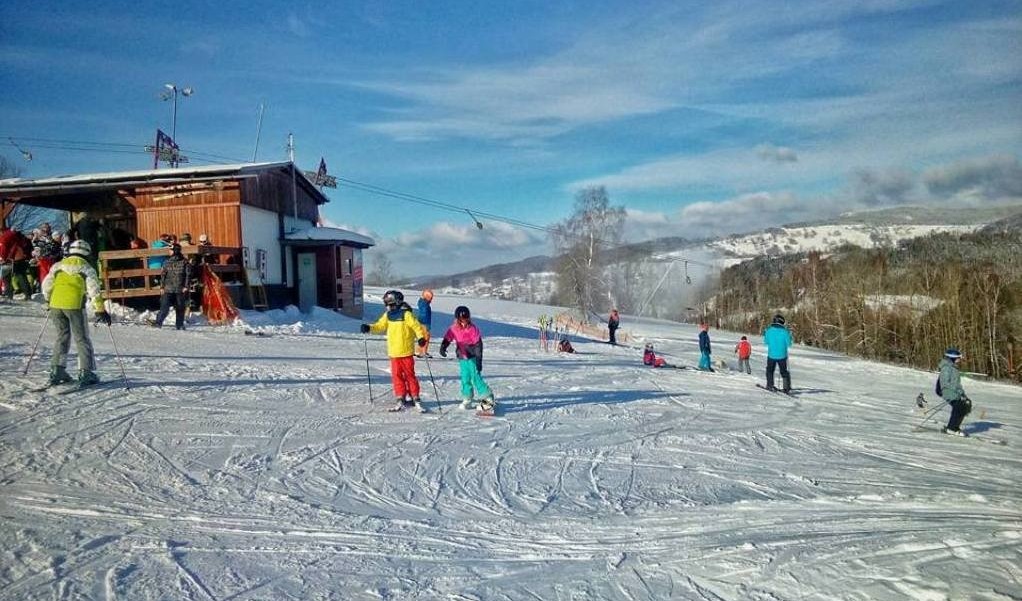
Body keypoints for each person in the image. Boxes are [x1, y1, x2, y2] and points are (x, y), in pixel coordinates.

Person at [41, 240, 111, 387]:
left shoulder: (58, 265)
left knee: (62, 337)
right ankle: (86, 372)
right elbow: (94, 290)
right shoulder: (86, 268)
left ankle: (57, 371)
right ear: (87, 253)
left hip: (55, 305)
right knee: (82, 338)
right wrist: (100, 309)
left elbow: (46, 284)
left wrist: (48, 300)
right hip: (74, 306)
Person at [360, 290, 428, 412]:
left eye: (390, 304)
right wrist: (369, 328)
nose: (388, 306)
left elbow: (416, 326)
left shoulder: (406, 314)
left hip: (406, 351)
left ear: (396, 302)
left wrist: (421, 338)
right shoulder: (388, 315)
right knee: (396, 376)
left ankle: (415, 397)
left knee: (409, 375)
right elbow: (380, 326)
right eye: (387, 304)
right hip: (394, 352)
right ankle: (400, 396)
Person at [439, 305, 495, 413]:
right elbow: (448, 337)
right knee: (465, 378)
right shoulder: (454, 328)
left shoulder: (472, 329)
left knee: (476, 378)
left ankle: (488, 398)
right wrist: (443, 347)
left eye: (466, 319)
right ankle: (467, 398)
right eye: (461, 320)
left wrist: (479, 360)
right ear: (457, 319)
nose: (464, 322)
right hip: (462, 357)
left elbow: (478, 346)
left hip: (472, 357)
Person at [153, 243, 191, 330]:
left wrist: (186, 286)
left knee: (180, 308)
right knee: (164, 308)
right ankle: (158, 323)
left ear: (175, 251)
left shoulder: (184, 262)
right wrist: (162, 287)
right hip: (168, 289)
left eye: (170, 250)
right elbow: (163, 275)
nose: (169, 252)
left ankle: (179, 325)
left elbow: (188, 275)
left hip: (180, 289)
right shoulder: (166, 262)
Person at [938, 348, 972, 436]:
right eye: (958, 358)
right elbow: (946, 383)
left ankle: (955, 427)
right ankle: (951, 428)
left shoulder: (953, 368)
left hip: (955, 392)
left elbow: (956, 383)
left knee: (965, 405)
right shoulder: (946, 368)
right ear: (952, 358)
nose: (959, 360)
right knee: (959, 406)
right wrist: (957, 391)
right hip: (948, 392)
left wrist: (962, 393)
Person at [763, 314, 793, 393]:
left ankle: (770, 385)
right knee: (783, 371)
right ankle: (786, 387)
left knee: (770, 370)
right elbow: (789, 344)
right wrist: (790, 336)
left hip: (771, 355)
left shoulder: (769, 331)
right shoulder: (785, 332)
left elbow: (766, 342)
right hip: (782, 356)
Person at [416, 289, 434, 358]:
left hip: (424, 322)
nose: (431, 300)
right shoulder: (424, 304)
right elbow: (424, 314)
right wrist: (425, 324)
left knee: (423, 336)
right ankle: (423, 351)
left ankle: (419, 351)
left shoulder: (423, 303)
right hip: (424, 323)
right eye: (430, 298)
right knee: (425, 337)